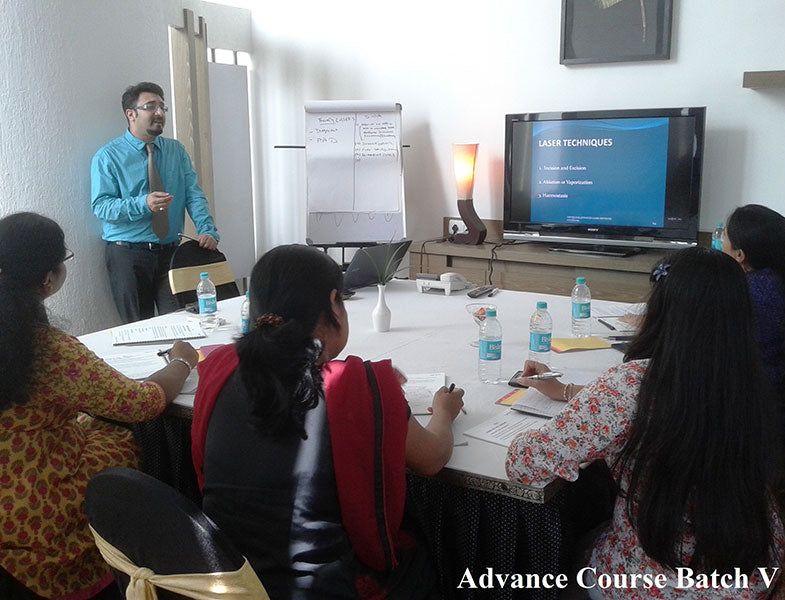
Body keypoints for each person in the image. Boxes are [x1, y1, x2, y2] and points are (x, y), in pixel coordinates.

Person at [506, 247, 784, 599]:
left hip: (658, 580)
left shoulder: (633, 384)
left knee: (563, 554)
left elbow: (523, 464)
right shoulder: (749, 377)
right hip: (752, 568)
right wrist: (567, 392)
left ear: (661, 308)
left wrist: (565, 419)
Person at [191, 244, 464, 599]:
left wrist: (376, 392)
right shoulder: (354, 385)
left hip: (230, 577)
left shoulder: (219, 366)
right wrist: (443, 412)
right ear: (334, 302)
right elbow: (431, 459)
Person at [0, 212, 199, 600]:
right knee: (131, 437)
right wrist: (182, 361)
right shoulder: (48, 350)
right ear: (47, 278)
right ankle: (171, 554)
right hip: (31, 504)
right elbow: (144, 402)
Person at [91, 81, 220, 324]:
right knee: (139, 328)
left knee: (180, 323)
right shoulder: (108, 156)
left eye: (162, 107)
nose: (159, 113)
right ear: (131, 114)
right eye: (150, 107)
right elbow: (101, 206)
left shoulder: (176, 151)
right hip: (128, 255)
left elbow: (193, 194)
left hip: (171, 253)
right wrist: (143, 204)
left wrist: (207, 229)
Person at [723, 204, 785, 482]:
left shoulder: (742, 295)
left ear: (740, 255)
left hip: (759, 424)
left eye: (724, 238)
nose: (720, 243)